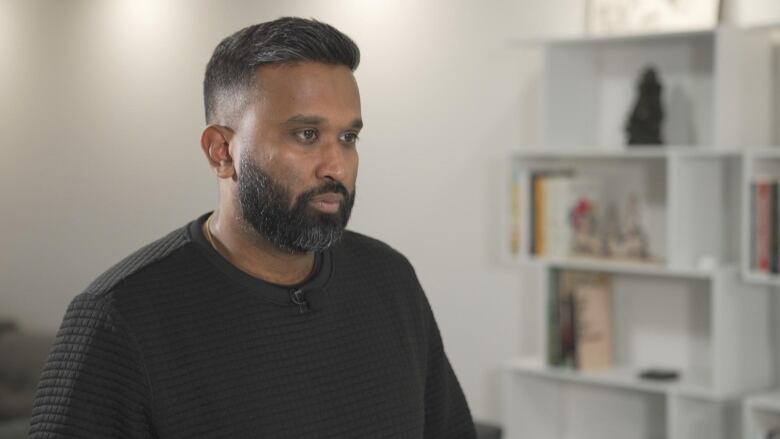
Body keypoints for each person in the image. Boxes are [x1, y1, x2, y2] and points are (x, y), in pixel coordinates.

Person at [28, 17, 476, 439]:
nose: (336, 165)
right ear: (221, 151)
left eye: (348, 137)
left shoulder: (389, 278)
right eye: (305, 135)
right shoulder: (117, 317)